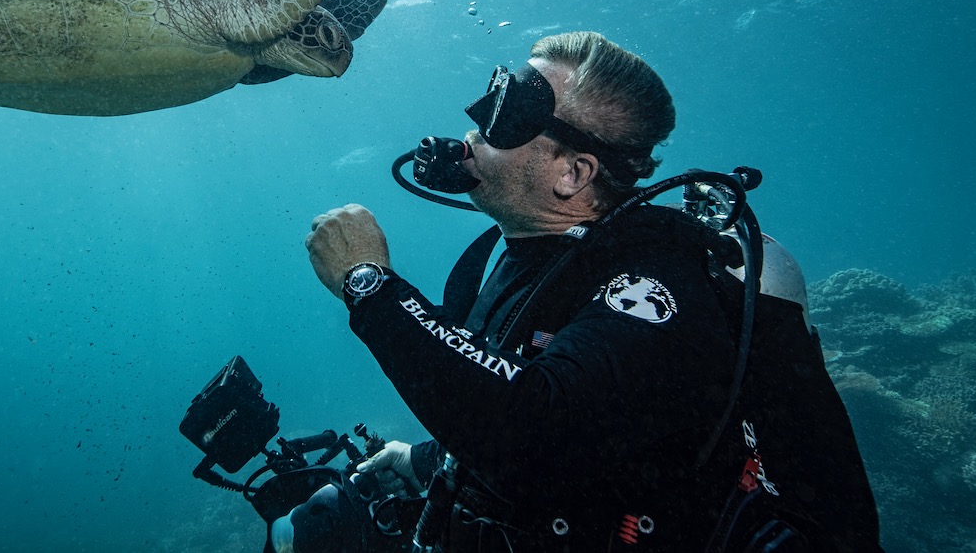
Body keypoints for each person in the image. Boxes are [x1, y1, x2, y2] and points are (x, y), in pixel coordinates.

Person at [304, 31, 881, 552]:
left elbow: (536, 429)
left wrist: (369, 286)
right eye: (493, 98)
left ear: (573, 174)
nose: (475, 123)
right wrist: (424, 460)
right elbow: (503, 375)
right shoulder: (506, 260)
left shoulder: (656, 284)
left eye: (512, 112)